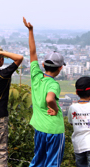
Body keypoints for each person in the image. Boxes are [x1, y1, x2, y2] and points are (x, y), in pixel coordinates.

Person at [23, 17, 66, 167]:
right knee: (52, 163)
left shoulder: (36, 76)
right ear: (60, 68)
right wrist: (54, 109)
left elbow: (32, 52)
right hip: (54, 129)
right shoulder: (53, 84)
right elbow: (49, 99)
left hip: (39, 127)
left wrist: (30, 31)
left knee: (38, 160)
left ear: (43, 64)